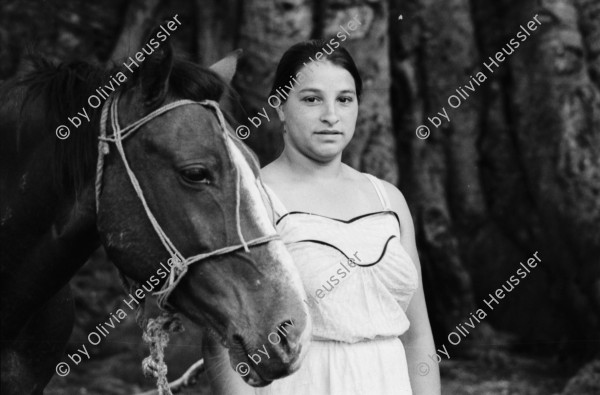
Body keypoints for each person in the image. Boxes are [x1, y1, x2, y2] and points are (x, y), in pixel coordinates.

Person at [204, 39, 441, 395]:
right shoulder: (251, 199)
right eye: (312, 99)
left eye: (344, 99)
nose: (331, 115)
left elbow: (418, 336)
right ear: (281, 107)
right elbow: (223, 345)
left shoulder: (388, 199)